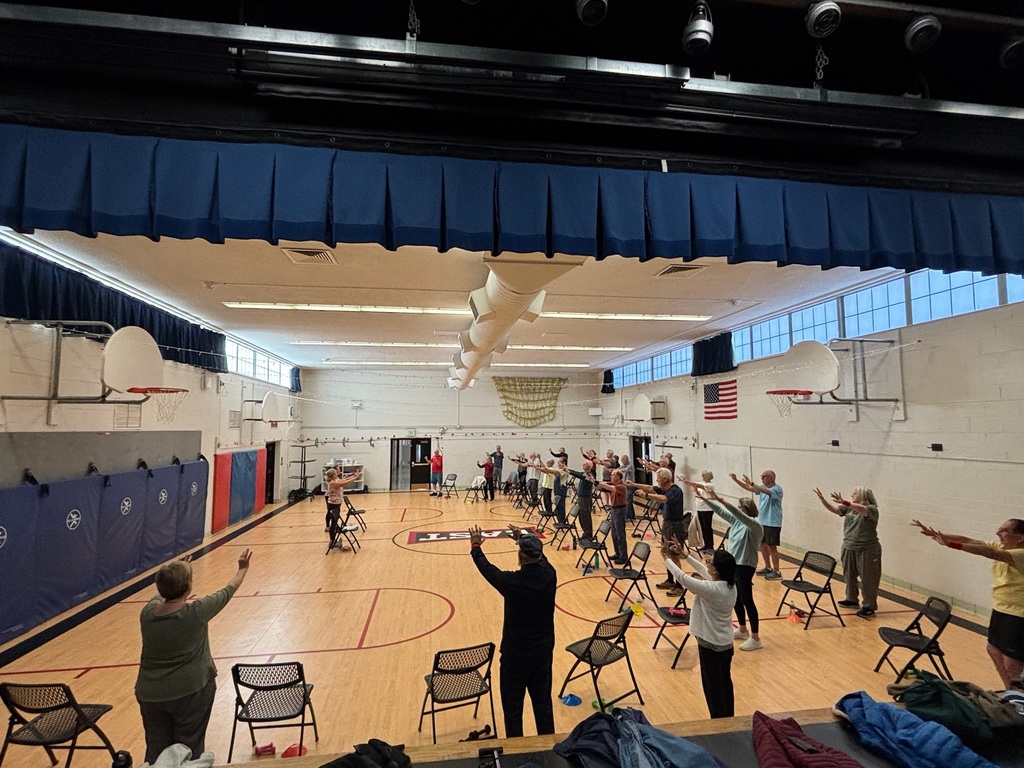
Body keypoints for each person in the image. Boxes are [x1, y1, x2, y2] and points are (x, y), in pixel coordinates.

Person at [135, 549, 253, 764]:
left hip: (150, 694)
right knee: (190, 749)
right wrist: (242, 569)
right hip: (191, 692)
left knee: (156, 753)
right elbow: (229, 590)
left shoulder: (147, 614)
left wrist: (175, 573)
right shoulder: (196, 612)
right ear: (188, 587)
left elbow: (159, 595)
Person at [913, 518, 1024, 691]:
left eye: (1004, 531)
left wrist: (951, 544)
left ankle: (1019, 698)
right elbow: (969, 540)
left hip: (1018, 615)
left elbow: (989, 553)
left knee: (1012, 662)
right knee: (993, 649)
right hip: (1001, 609)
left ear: (1020, 538)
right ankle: (1011, 692)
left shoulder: (1020, 554)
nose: (998, 533)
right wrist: (939, 536)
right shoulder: (1003, 547)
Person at [469, 524, 557, 737]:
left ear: (520, 556)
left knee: (513, 710)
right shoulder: (550, 574)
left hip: (515, 656)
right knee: (543, 706)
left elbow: (488, 570)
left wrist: (476, 547)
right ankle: (549, 746)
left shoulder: (513, 583)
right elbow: (542, 559)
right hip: (543, 653)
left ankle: (516, 749)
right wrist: (523, 538)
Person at [686, 481, 764, 651]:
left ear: (747, 510)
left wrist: (721, 500)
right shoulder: (736, 523)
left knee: (747, 599)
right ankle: (742, 629)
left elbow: (735, 513)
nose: (738, 510)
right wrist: (706, 500)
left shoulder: (755, 526)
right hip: (733, 564)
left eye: (741, 507)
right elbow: (722, 512)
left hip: (746, 566)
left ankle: (755, 637)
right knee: (736, 598)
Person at [665, 542, 738, 718]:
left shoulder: (711, 589)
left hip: (710, 646)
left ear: (717, 570)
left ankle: (719, 724)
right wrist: (684, 555)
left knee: (713, 690)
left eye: (710, 562)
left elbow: (682, 578)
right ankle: (728, 721)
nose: (707, 563)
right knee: (725, 685)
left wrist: (667, 558)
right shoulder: (729, 585)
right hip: (725, 645)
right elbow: (705, 572)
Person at [814, 486, 882, 618]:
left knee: (868, 578)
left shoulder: (872, 509)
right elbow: (835, 510)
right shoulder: (850, 507)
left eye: (855, 493)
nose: (852, 495)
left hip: (867, 548)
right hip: (848, 546)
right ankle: (851, 599)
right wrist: (823, 500)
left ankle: (868, 606)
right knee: (849, 575)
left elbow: (862, 510)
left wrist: (845, 502)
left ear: (862, 496)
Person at [629, 467, 686, 596]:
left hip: (674, 526)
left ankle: (679, 586)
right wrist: (634, 484)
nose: (657, 480)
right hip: (667, 524)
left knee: (674, 555)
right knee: (666, 552)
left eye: (658, 478)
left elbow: (664, 499)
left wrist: (646, 496)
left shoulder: (675, 490)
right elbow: (650, 488)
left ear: (665, 479)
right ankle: (670, 580)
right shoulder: (666, 489)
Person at [730, 470, 783, 580]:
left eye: (764, 477)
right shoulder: (762, 488)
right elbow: (749, 488)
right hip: (762, 521)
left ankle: (777, 571)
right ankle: (768, 567)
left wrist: (752, 483)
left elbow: (766, 491)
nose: (762, 478)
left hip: (772, 522)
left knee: (772, 546)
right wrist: (736, 480)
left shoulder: (777, 489)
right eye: (761, 476)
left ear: (771, 478)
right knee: (763, 545)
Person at [324, 467, 361, 550]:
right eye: (335, 473)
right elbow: (344, 483)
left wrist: (353, 476)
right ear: (332, 475)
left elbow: (343, 480)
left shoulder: (336, 480)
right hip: (333, 504)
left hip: (337, 503)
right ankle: (332, 540)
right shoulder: (332, 483)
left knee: (335, 522)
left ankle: (334, 540)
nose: (337, 474)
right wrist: (355, 477)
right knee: (334, 523)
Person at [597, 469, 629, 563]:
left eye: (613, 475)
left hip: (620, 510)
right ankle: (617, 553)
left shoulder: (621, 486)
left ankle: (623, 556)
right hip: (614, 509)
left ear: (618, 477)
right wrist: (593, 481)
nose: (611, 476)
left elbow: (609, 487)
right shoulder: (613, 484)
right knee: (614, 533)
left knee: (620, 534)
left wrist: (598, 482)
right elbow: (601, 487)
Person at [686, 470, 716, 552]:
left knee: (707, 528)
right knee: (702, 528)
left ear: (709, 476)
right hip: (700, 508)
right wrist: (691, 485)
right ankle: (706, 544)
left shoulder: (710, 485)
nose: (703, 477)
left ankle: (710, 546)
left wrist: (690, 482)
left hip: (707, 509)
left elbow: (701, 486)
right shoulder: (701, 483)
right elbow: (695, 488)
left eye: (705, 475)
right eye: (702, 475)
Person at [568, 460, 597, 541]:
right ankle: (585, 534)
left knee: (585, 517)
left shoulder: (589, 474)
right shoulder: (584, 473)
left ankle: (588, 536)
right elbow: (577, 473)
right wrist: (568, 470)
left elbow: (578, 475)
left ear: (590, 466)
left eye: (585, 464)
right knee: (581, 517)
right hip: (581, 498)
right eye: (583, 463)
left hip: (585, 499)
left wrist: (568, 471)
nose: (583, 464)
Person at [619, 454, 635, 521]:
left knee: (628, 501)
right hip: (625, 485)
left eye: (623, 460)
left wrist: (616, 471)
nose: (622, 461)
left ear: (626, 459)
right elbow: (619, 469)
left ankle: (628, 516)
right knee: (627, 501)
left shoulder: (630, 466)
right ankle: (631, 516)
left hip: (630, 486)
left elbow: (624, 470)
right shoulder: (623, 466)